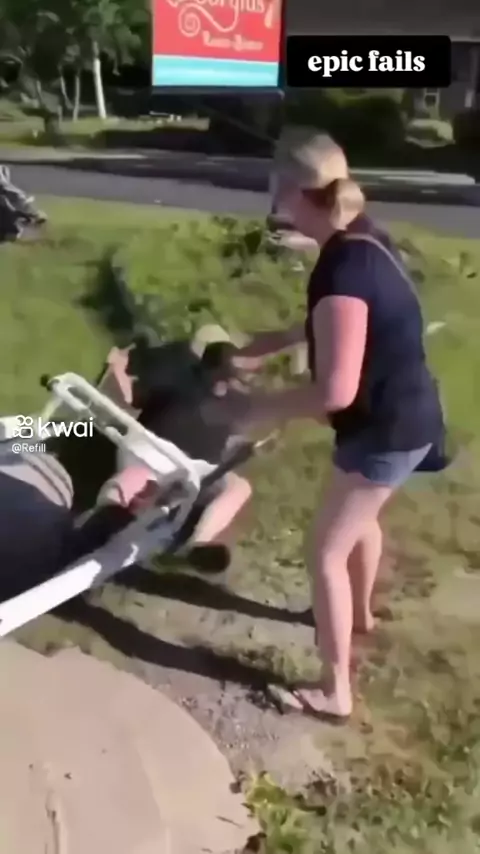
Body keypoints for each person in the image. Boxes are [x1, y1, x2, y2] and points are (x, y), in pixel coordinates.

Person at [231, 133, 448, 722]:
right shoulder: (363, 237)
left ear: (291, 191)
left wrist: (258, 409)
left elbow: (334, 393)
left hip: (385, 428)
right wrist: (264, 345)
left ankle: (334, 693)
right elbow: (336, 325)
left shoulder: (342, 269)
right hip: (410, 415)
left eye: (276, 183)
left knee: (324, 551)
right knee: (361, 518)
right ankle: (362, 615)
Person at [91, 335, 252, 561]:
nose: (228, 383)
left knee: (240, 487)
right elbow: (131, 397)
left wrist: (238, 450)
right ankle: (102, 522)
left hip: (191, 468)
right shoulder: (181, 378)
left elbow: (221, 440)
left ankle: (194, 548)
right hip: (153, 449)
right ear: (212, 369)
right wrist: (118, 367)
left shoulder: (230, 404)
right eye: (226, 375)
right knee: (138, 477)